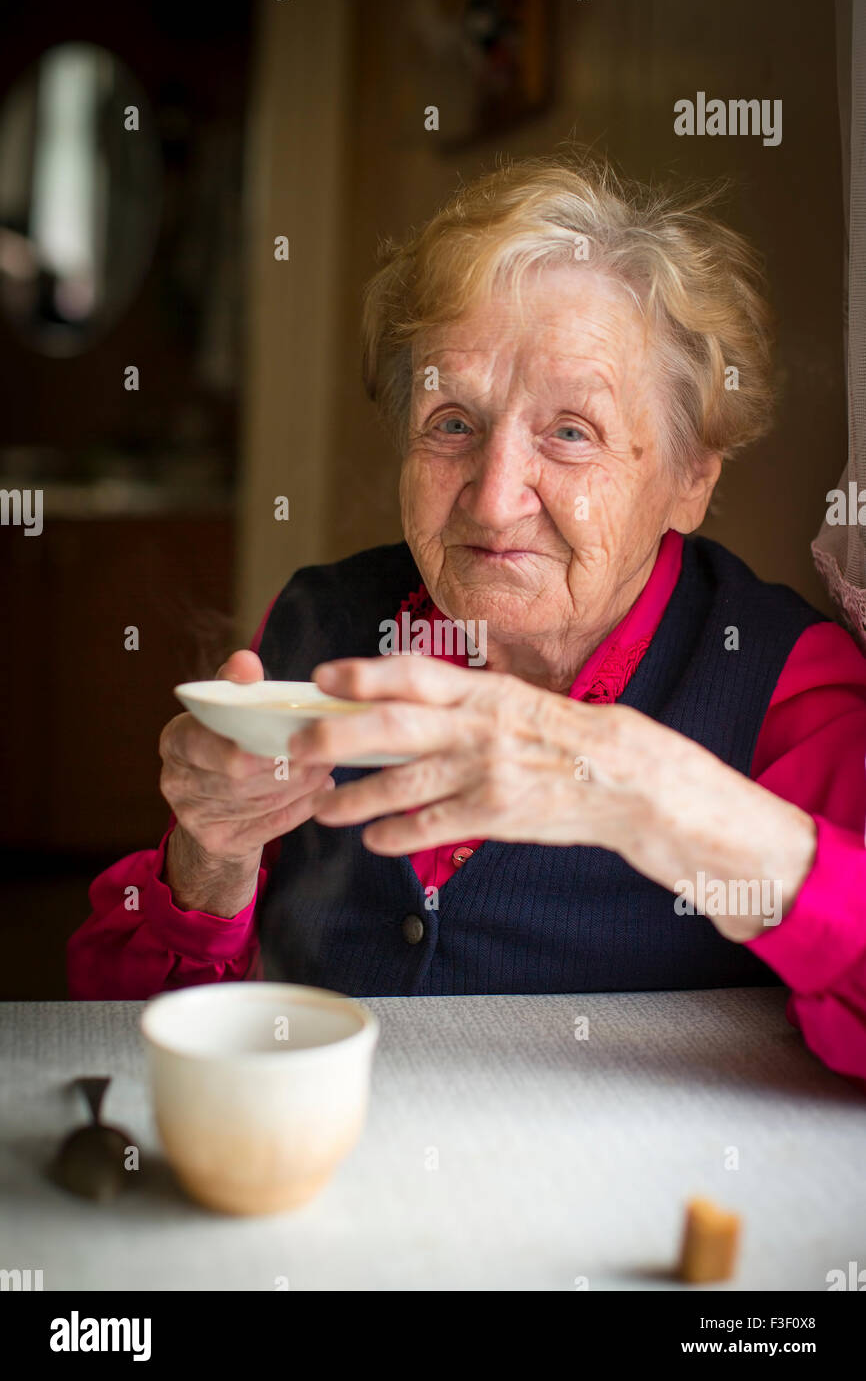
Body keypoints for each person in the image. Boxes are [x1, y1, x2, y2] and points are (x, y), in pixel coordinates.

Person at [68, 153, 866, 1089]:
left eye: (571, 432)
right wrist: (210, 855)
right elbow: (116, 1028)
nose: (491, 503)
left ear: (691, 477)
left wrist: (652, 794)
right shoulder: (320, 624)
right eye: (452, 422)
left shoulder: (780, 680)